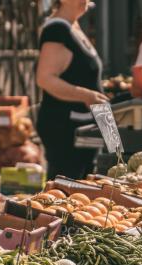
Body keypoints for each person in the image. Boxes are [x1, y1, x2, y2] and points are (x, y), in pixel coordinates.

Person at [35, 0, 106, 180]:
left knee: (85, 188)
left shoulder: (73, 27)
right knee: (65, 189)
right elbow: (45, 78)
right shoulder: (57, 29)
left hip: (86, 123)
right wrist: (86, 95)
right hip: (67, 128)